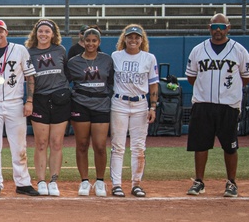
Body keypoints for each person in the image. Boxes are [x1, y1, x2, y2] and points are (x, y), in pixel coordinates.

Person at [185, 13, 249, 198]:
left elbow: (246, 78)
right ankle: (199, 181)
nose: (218, 30)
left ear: (228, 28)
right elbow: (191, 77)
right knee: (200, 145)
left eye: (222, 27)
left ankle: (231, 182)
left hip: (228, 105)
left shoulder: (239, 50)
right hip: (203, 104)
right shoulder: (198, 50)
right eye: (215, 27)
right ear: (209, 28)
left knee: (230, 146)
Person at [0, 19, 39, 197]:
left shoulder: (19, 50)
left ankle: (22, 182)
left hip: (14, 102)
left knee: (19, 145)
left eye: (0, 31)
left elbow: (30, 77)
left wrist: (29, 100)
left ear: (6, 32)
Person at [109, 24, 159, 198]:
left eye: (137, 37)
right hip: (120, 103)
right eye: (130, 37)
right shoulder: (116, 56)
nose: (133, 40)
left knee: (138, 147)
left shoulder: (149, 58)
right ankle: (116, 184)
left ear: (141, 40)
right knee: (118, 146)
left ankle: (136, 184)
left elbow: (153, 83)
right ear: (124, 38)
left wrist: (153, 106)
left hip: (140, 104)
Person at [25, 19, 70, 197]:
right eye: (40, 31)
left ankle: (54, 181)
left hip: (59, 99)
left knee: (57, 143)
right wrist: (29, 99)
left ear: (53, 34)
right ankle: (41, 180)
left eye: (47, 31)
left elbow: (66, 72)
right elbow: (29, 78)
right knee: (41, 143)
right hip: (40, 100)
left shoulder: (60, 50)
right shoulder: (29, 52)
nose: (43, 34)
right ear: (35, 34)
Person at [66, 27, 112, 197]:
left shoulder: (107, 60)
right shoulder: (73, 62)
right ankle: (84, 181)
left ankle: (100, 181)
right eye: (88, 40)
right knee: (82, 144)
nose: (91, 43)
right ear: (83, 41)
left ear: (99, 42)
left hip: (101, 106)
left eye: (94, 41)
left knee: (100, 146)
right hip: (80, 105)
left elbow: (112, 81)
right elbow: (66, 82)